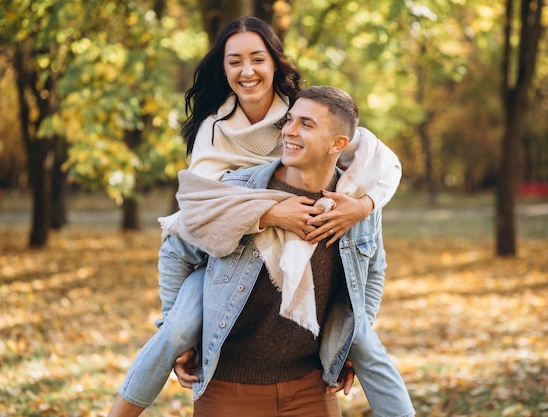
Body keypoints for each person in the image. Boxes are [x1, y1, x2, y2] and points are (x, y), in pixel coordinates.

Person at [107, 17, 406, 417]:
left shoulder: (304, 112)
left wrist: (364, 206)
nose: (247, 72)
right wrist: (271, 212)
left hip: (303, 375)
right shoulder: (213, 134)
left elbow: (383, 164)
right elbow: (195, 217)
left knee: (367, 343)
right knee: (176, 331)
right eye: (234, 62)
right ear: (223, 69)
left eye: (257, 59)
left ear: (275, 63)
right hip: (222, 268)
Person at [163, 86, 414, 416]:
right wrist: (175, 333)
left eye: (306, 124)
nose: (289, 132)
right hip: (228, 388)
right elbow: (177, 251)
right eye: (290, 120)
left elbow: (374, 271)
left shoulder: (353, 205)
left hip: (310, 388)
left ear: (338, 144)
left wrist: (351, 338)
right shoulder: (240, 189)